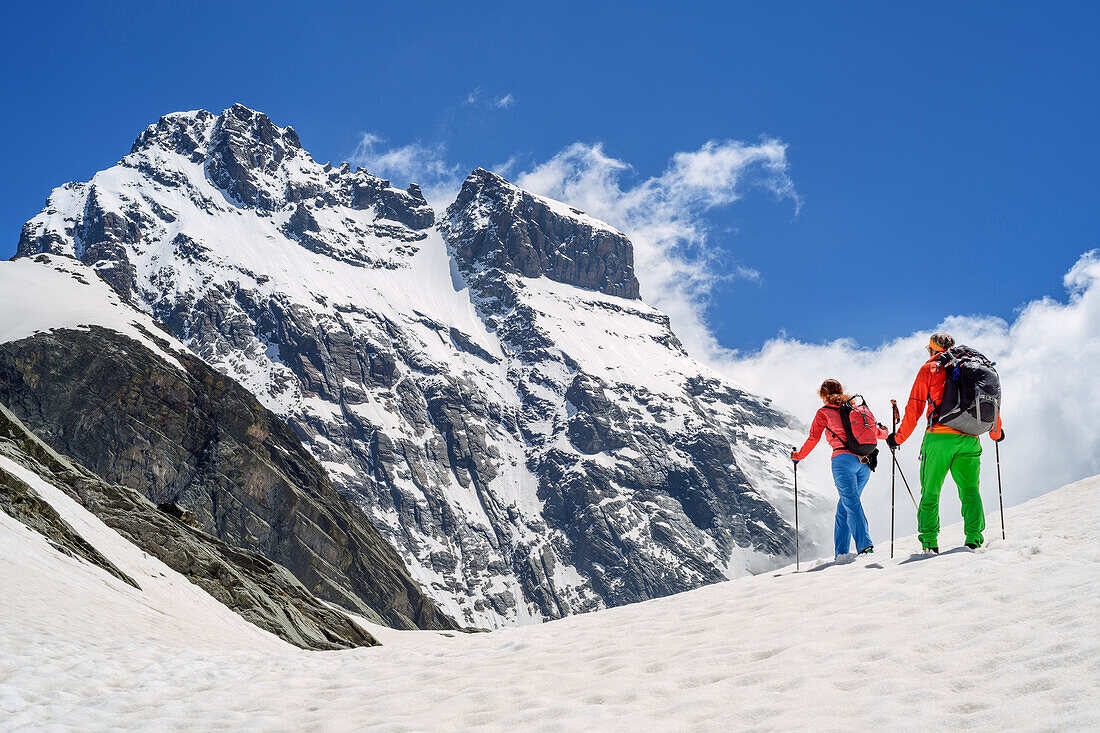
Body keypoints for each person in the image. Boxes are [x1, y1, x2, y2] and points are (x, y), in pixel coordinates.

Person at [886, 333, 1004, 553]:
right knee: (970, 490)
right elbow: (989, 403)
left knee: (930, 492)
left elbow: (915, 409)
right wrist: (995, 433)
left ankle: (930, 543)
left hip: (939, 437)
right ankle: (974, 539)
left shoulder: (930, 368)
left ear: (932, 349)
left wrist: (897, 438)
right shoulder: (973, 366)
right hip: (970, 438)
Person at [791, 379, 886, 558]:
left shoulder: (824, 412)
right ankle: (841, 554)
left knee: (851, 504)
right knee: (844, 507)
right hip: (864, 462)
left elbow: (813, 438)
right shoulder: (856, 409)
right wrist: (886, 432)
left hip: (843, 461)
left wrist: (797, 457)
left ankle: (865, 546)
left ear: (822, 395)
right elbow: (877, 433)